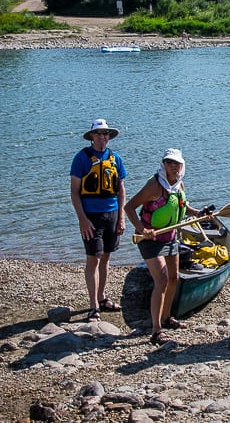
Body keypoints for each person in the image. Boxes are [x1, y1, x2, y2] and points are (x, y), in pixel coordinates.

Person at [125, 148, 204, 345]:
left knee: (174, 278)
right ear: (164, 164)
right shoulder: (154, 186)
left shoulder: (179, 184)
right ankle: (156, 331)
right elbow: (129, 207)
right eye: (169, 163)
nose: (173, 166)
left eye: (177, 163)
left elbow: (183, 207)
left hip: (170, 238)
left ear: (182, 165)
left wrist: (198, 213)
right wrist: (142, 229)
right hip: (150, 240)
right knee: (161, 280)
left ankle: (167, 317)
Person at [70, 118, 127, 323]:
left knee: (106, 258)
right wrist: (82, 220)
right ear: (92, 136)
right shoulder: (82, 158)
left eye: (106, 134)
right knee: (93, 258)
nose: (103, 137)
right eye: (99, 134)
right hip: (91, 216)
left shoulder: (115, 158)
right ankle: (93, 306)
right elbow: (75, 193)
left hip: (111, 214)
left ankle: (102, 298)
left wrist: (121, 217)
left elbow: (121, 190)